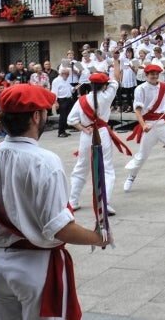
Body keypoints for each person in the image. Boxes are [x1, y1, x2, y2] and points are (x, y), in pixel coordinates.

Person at [0, 84, 109, 320]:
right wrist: (99, 237)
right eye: (45, 111)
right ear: (36, 116)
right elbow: (60, 228)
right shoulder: (45, 161)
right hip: (35, 267)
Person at [67, 54, 130, 215]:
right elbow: (116, 77)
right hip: (102, 132)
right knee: (107, 169)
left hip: (87, 135)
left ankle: (73, 201)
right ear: (104, 85)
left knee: (81, 167)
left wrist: (84, 129)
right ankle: (104, 202)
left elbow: (71, 120)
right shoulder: (107, 96)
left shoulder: (81, 100)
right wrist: (116, 60)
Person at [123, 64, 165, 194]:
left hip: (163, 123)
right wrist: (143, 125)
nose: (154, 76)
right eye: (151, 74)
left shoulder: (164, 87)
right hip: (148, 123)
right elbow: (137, 110)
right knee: (142, 155)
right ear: (146, 75)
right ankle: (132, 176)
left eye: (156, 74)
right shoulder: (140, 89)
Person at [51, 67, 74, 138]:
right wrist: (56, 102)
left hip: (68, 99)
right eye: (67, 74)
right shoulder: (56, 81)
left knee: (67, 116)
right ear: (62, 74)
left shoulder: (66, 80)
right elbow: (54, 93)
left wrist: (74, 88)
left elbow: (70, 88)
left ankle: (64, 130)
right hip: (61, 100)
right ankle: (60, 132)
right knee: (63, 117)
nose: (68, 76)